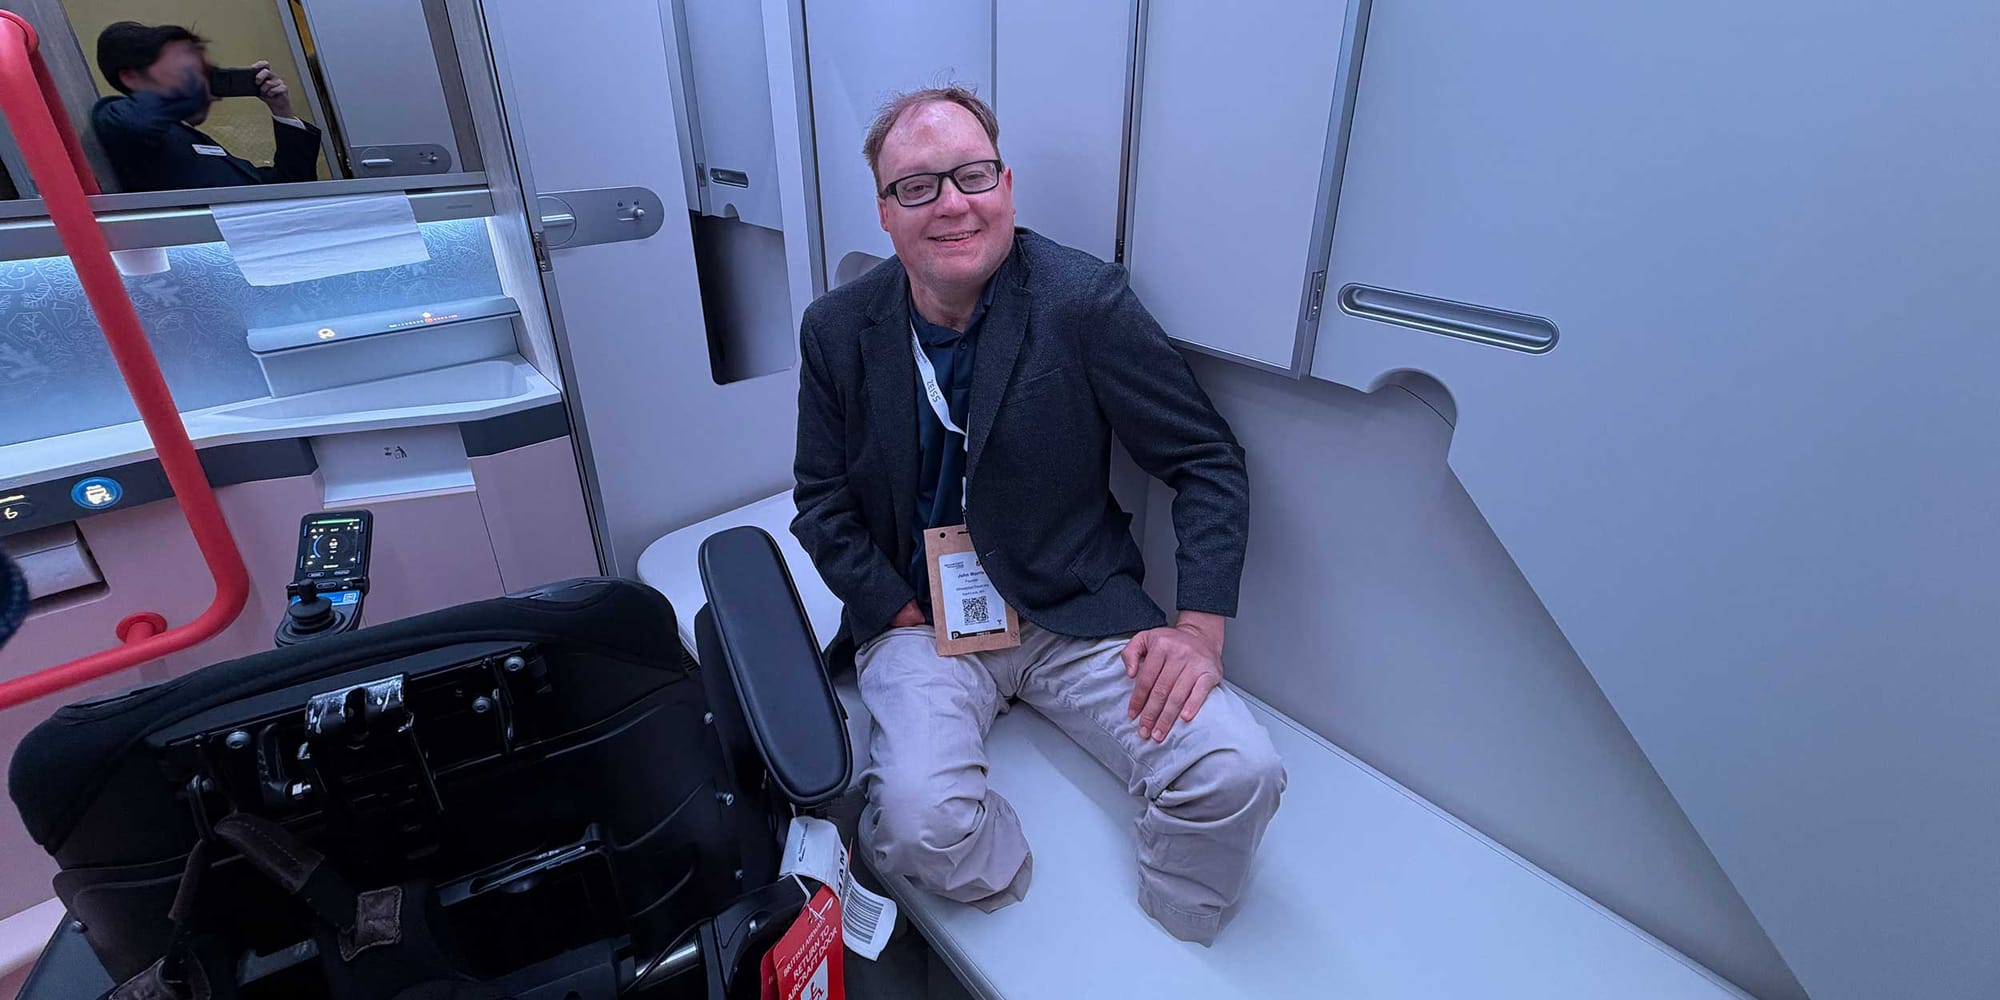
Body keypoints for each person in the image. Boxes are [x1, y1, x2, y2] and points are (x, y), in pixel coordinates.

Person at [790, 86, 1284, 945]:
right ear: (883, 212)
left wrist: (1199, 630)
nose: (951, 202)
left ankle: (1173, 929)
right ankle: (1026, 901)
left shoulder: (1082, 302)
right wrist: (896, 609)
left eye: (972, 174)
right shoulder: (837, 329)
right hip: (921, 618)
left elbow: (1205, 459)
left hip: (1072, 609)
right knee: (912, 824)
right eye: (917, 185)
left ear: (1006, 185)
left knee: (1236, 772)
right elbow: (821, 499)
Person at [90, 22, 321, 193]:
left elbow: (288, 185)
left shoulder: (186, 135)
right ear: (131, 77)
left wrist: (282, 110)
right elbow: (130, 126)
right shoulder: (120, 117)